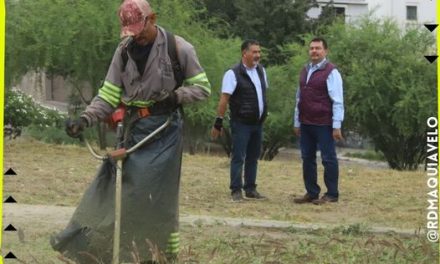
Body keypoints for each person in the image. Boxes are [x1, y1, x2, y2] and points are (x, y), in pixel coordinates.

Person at [52, 0, 211, 263]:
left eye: (140, 29)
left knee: (149, 195)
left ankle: (157, 254)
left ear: (152, 18)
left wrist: (175, 97)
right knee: (109, 185)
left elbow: (202, 87)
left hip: (164, 131)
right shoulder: (124, 50)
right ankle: (91, 247)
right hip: (133, 129)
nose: (136, 37)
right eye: (131, 32)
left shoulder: (179, 48)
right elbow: (110, 93)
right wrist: (85, 119)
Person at [211, 40, 268, 202]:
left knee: (253, 156)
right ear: (244, 53)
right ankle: (236, 190)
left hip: (258, 123)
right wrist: (218, 122)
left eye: (259, 52)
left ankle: (250, 188)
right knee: (238, 156)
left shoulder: (261, 71)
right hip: (241, 123)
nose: (257, 55)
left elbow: (262, 95)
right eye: (254, 52)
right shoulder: (233, 73)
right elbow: (224, 100)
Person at [293, 37, 344, 205]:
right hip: (306, 122)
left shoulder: (331, 72)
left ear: (325, 51)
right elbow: (299, 98)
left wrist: (336, 125)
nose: (314, 51)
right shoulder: (304, 70)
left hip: (324, 123)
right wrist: (297, 122)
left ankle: (332, 194)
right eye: (312, 48)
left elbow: (337, 100)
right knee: (307, 158)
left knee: (328, 158)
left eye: (318, 48)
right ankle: (312, 192)